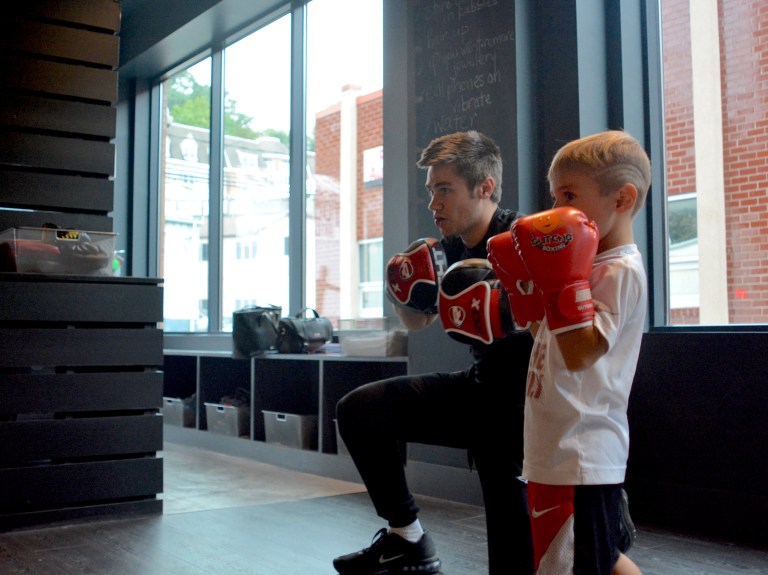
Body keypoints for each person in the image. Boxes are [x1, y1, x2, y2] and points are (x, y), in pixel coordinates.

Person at [333, 130, 535, 574]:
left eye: (445, 189)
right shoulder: (445, 251)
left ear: (485, 187)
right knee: (358, 411)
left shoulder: (523, 240)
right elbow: (418, 322)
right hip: (479, 390)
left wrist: (508, 310)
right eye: (431, 190)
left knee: (512, 550)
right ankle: (407, 540)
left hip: (529, 405)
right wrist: (400, 289)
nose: (433, 203)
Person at [487, 129, 649, 574]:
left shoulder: (620, 271)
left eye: (570, 195)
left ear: (622, 199)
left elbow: (581, 353)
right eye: (556, 195)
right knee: (600, 561)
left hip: (581, 452)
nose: (559, 210)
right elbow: (548, 333)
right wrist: (527, 292)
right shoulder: (588, 262)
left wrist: (559, 282)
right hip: (554, 447)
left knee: (569, 567)